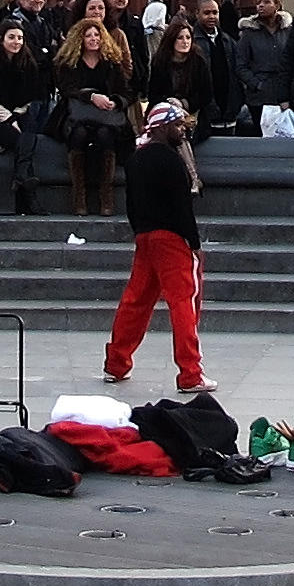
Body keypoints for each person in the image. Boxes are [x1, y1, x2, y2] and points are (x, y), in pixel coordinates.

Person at [102, 102, 209, 392]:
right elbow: (182, 207)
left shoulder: (136, 159)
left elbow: (131, 205)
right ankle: (190, 374)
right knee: (183, 303)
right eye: (176, 125)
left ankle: (116, 364)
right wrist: (194, 244)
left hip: (145, 238)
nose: (181, 131)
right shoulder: (172, 161)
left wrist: (140, 233)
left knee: (135, 301)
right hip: (173, 239)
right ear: (162, 127)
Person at [52, 23, 134, 214]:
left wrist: (116, 102)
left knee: (105, 136)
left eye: (96, 35)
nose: (93, 39)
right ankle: (79, 198)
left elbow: (127, 93)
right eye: (88, 35)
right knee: (78, 135)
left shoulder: (112, 63)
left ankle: (106, 197)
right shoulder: (70, 63)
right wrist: (90, 96)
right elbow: (66, 89)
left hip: (106, 117)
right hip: (77, 116)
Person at [0, 20, 50, 215]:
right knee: (20, 140)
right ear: (1, 39)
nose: (16, 42)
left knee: (28, 135)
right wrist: (9, 119)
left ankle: (21, 177)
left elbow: (32, 94)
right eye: (12, 37)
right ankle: (29, 195)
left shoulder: (28, 62)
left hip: (20, 110)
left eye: (20, 38)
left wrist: (16, 115)